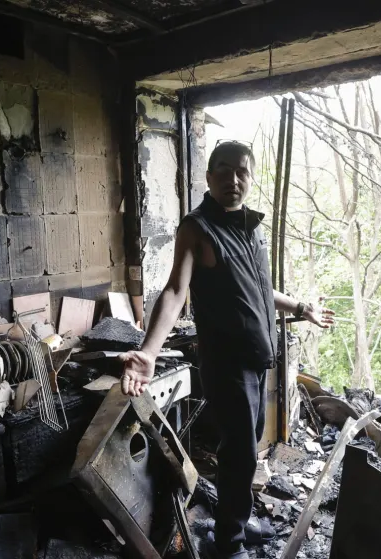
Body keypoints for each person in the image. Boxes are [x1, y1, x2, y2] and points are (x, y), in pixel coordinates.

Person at [119, 140, 335, 559]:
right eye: (222, 170)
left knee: (246, 448)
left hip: (257, 362)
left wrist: (301, 306)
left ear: (251, 178)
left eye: (241, 172)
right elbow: (175, 290)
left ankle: (234, 519)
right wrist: (148, 351)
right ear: (208, 176)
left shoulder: (250, 227)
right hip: (228, 364)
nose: (232, 180)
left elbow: (260, 289)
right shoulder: (197, 228)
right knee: (238, 453)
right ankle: (228, 544)